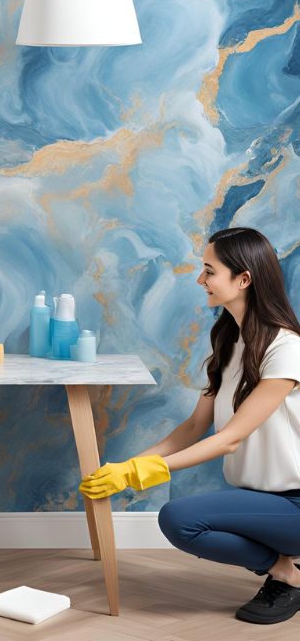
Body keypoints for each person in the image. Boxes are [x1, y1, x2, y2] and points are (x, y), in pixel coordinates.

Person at [79, 227, 300, 624]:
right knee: (181, 518)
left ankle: (288, 575)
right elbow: (195, 425)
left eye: (209, 271)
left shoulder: (287, 350)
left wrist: (138, 474)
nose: (201, 280)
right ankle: (286, 568)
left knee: (178, 519)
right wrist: (126, 466)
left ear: (243, 279)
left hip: (296, 502)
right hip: (267, 501)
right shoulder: (230, 344)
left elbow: (230, 439)